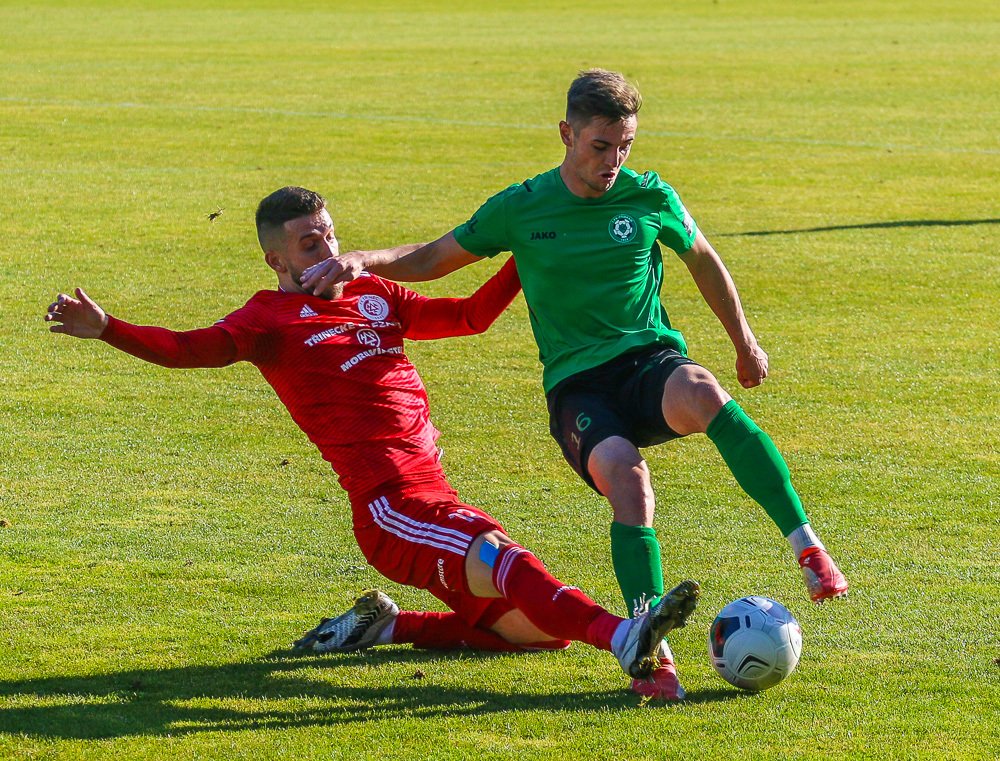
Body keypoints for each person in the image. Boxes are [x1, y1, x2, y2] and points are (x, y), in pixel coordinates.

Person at [297, 70, 849, 699]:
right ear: (567, 134)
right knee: (626, 476)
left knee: (704, 391)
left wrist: (744, 342)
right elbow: (431, 258)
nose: (613, 161)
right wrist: (360, 259)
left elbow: (703, 259)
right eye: (600, 146)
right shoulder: (523, 206)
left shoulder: (649, 196)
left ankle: (808, 549)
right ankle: (651, 643)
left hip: (648, 364)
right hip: (578, 388)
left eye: (625, 147)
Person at [45, 185, 700, 702]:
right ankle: (623, 635)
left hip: (431, 493)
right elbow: (189, 349)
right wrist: (108, 328)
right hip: (390, 507)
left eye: (328, 232)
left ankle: (388, 625)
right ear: (276, 259)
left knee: (538, 633)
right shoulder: (265, 319)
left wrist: (525, 257)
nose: (325, 246)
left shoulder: (372, 292)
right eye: (307, 243)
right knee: (501, 555)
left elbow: (469, 316)